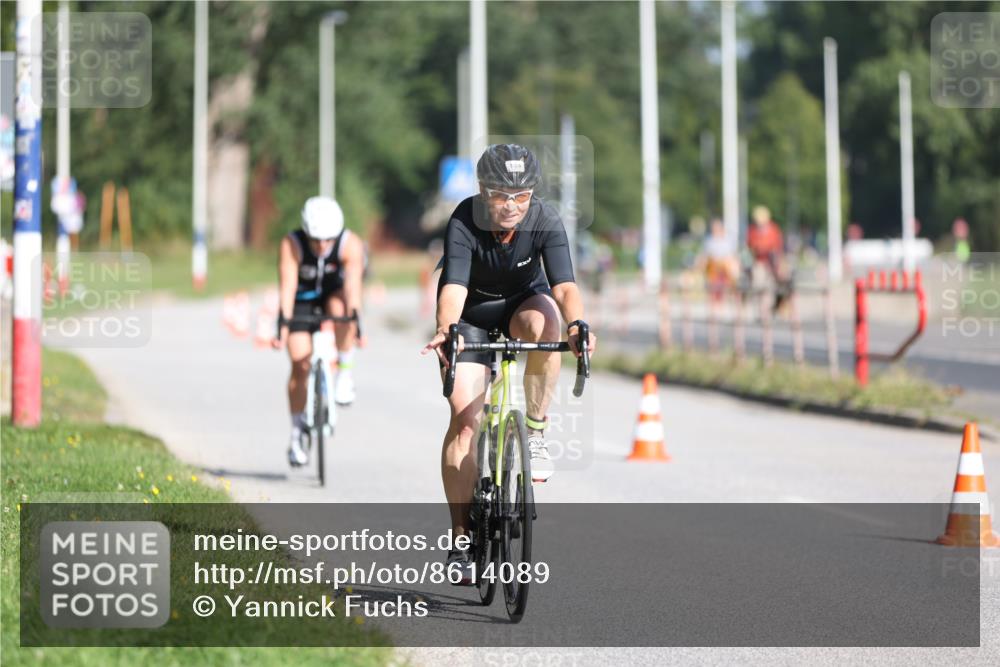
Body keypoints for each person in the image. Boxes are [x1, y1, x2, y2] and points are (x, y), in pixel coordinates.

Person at [420, 144, 597, 583]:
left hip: (522, 305)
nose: (514, 205)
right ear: (483, 191)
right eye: (503, 195)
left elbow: (565, 287)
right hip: (471, 317)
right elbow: (454, 288)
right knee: (465, 423)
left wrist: (578, 323)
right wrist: (447, 328)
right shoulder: (464, 219)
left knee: (548, 323)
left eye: (523, 195)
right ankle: (461, 541)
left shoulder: (544, 219)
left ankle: (534, 432)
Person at [272, 196, 365, 467]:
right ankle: (296, 432)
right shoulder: (292, 244)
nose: (322, 245)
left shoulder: (351, 244)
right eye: (316, 239)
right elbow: (287, 287)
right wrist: (283, 324)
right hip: (301, 299)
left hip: (333, 294)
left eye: (328, 240)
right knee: (300, 364)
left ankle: (345, 374)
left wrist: (356, 318)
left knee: (342, 309)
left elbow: (353, 287)